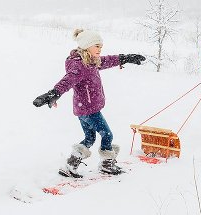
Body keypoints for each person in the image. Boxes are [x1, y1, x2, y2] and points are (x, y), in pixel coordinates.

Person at [32, 29, 145, 177]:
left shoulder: (91, 61)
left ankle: (71, 164)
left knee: (90, 138)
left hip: (83, 109)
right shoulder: (81, 66)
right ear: (86, 46)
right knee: (107, 135)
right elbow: (68, 81)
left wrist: (126, 58)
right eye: (97, 45)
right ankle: (107, 165)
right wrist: (53, 93)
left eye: (101, 46)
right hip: (90, 110)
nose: (100, 48)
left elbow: (107, 60)